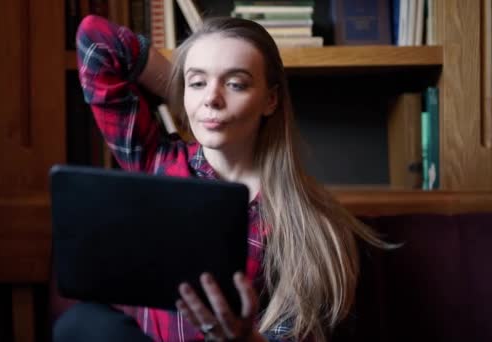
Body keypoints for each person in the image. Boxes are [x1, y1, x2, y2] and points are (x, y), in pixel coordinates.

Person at [54, 14, 384, 342]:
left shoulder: (306, 222)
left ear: (270, 100)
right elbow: (96, 39)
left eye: (235, 84)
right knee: (82, 321)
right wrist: (186, 98)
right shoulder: (156, 162)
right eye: (197, 82)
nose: (212, 98)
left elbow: (298, 332)